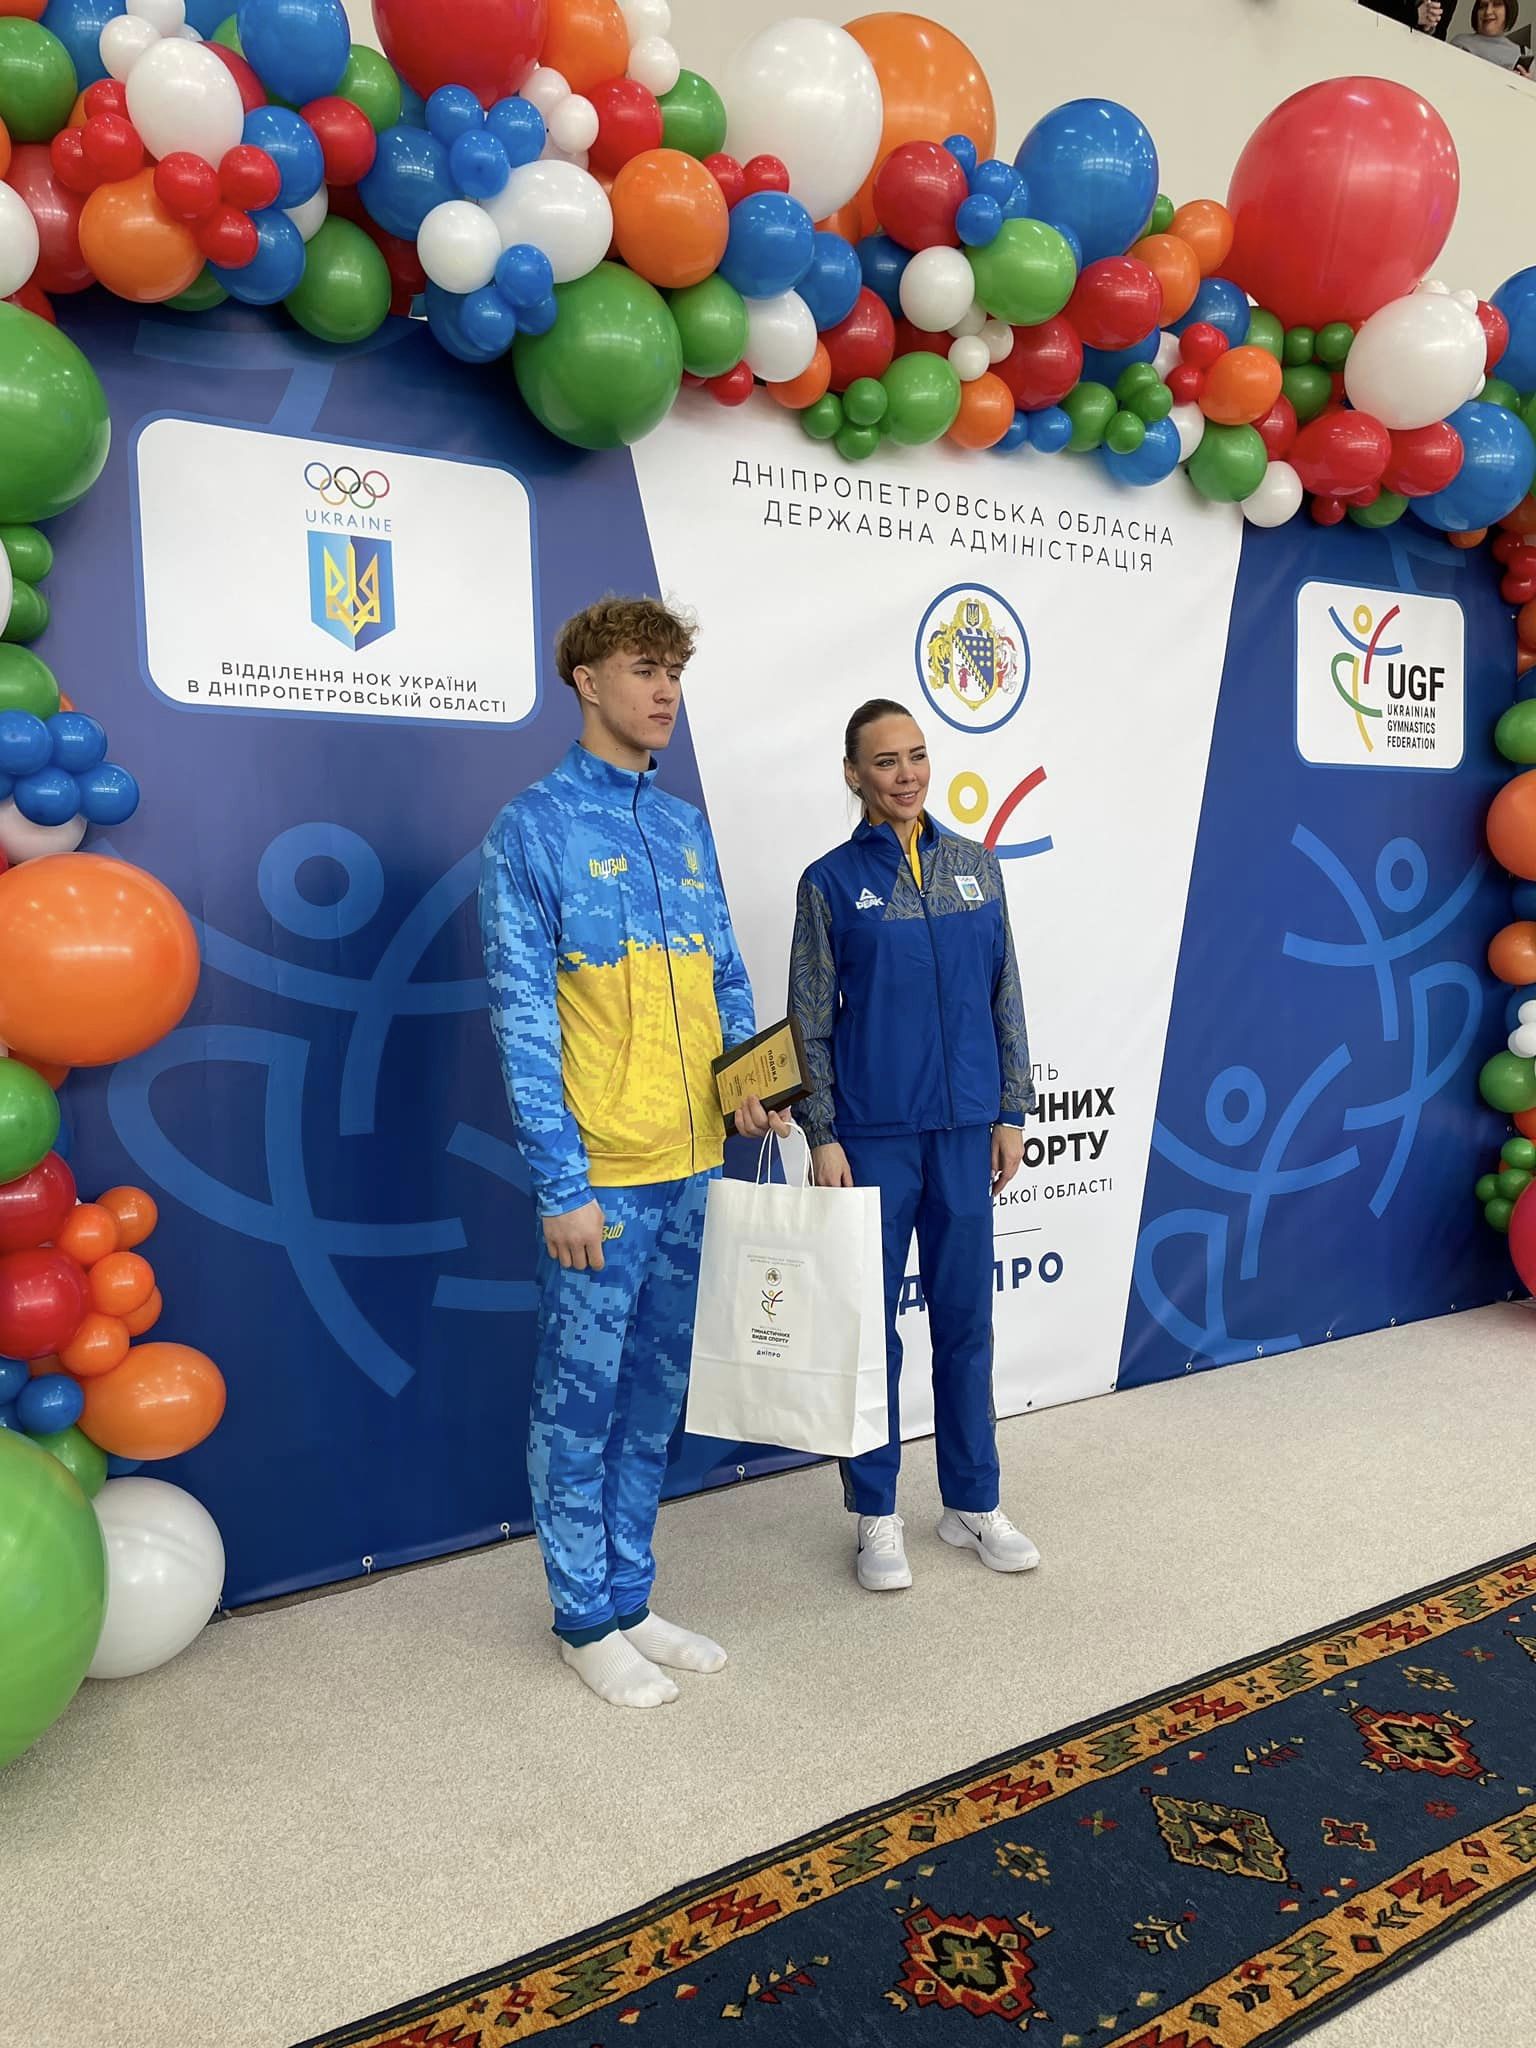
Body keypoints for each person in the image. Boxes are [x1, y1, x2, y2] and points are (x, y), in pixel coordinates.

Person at [479, 596, 786, 1709]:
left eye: (674, 673)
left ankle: (630, 1596)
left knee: (654, 1395)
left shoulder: (684, 825)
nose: (664, 692)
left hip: (696, 1164)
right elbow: (522, 1021)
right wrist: (560, 1183)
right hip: (603, 1179)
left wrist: (750, 1089)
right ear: (586, 680)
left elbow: (728, 974)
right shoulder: (532, 828)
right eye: (643, 669)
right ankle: (581, 1620)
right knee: (579, 1400)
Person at [788, 698, 1039, 1593]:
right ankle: (876, 1514)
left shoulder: (976, 867)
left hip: (965, 1130)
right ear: (854, 774)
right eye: (886, 761)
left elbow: (1005, 992)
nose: (906, 775)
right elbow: (808, 1020)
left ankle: (972, 1502)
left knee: (967, 1321)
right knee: (871, 1334)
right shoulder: (828, 883)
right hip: (873, 1136)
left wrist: (1010, 1110)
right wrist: (822, 1132)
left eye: (918, 756)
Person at [1452, 0, 1527, 66]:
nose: (1488, 12)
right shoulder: (1460, 42)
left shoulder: (1523, 53)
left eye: (1497, 4)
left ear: (1509, 10)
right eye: (1483, 6)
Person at [1358, 0, 1449, 36]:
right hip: (1369, 32)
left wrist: (1429, 26)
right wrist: (1414, 15)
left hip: (1415, 52)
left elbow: (1440, 32)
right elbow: (1368, 4)